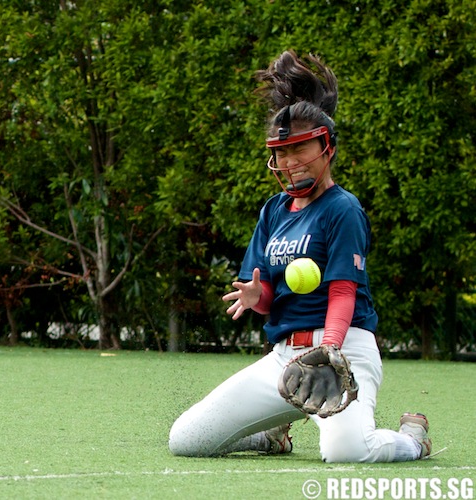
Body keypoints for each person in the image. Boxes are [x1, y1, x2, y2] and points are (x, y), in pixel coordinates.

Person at [168, 50, 431, 462]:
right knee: (186, 440)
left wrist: (329, 350)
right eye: (282, 152)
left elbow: (343, 291)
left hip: (343, 351)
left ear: (327, 148)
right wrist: (259, 298)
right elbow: (272, 297)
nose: (289, 163)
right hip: (284, 359)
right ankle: (273, 437)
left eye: (299, 149)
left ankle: (412, 438)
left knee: (346, 451)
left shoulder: (342, 209)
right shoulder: (274, 211)